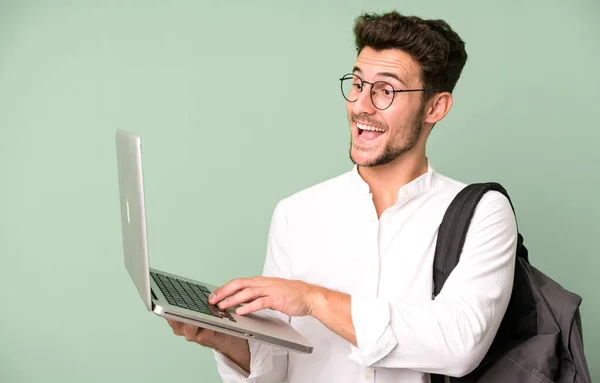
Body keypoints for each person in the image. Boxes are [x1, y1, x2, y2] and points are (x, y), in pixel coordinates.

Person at [167, 10, 518, 383]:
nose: (360, 105)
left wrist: (313, 299)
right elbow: (279, 366)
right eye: (357, 83)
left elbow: (459, 343)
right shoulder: (296, 213)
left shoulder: (482, 212)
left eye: (386, 90)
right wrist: (224, 339)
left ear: (435, 107)